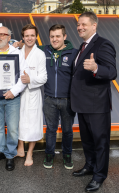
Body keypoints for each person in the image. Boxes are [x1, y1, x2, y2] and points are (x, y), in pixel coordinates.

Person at [71, 12, 116, 192]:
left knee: (100, 141)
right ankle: (90, 166)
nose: (80, 27)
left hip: (97, 105)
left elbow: (112, 72)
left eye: (84, 24)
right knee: (87, 141)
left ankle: (99, 175)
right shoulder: (82, 46)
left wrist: (96, 68)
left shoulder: (103, 44)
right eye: (78, 24)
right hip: (82, 104)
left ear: (94, 25)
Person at [0, 26, 29, 171]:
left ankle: (10, 155)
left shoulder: (18, 53)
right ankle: (1, 150)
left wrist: (13, 91)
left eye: (3, 34)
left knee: (13, 129)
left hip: (12, 97)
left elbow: (23, 76)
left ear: (9, 37)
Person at [37, 24, 78, 170]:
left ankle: (67, 155)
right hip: (49, 99)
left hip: (67, 100)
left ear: (64, 37)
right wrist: (17, 43)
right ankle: (49, 155)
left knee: (67, 130)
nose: (55, 39)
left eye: (58, 36)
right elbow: (28, 46)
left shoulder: (74, 53)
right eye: (52, 36)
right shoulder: (44, 50)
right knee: (50, 130)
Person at [16, 24, 47, 166]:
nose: (29, 38)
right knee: (18, 121)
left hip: (33, 93)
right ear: (23, 37)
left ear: (36, 37)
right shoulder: (17, 52)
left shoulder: (40, 54)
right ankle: (20, 147)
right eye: (27, 35)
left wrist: (30, 80)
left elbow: (44, 78)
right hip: (19, 93)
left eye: (32, 35)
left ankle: (30, 154)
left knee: (34, 124)